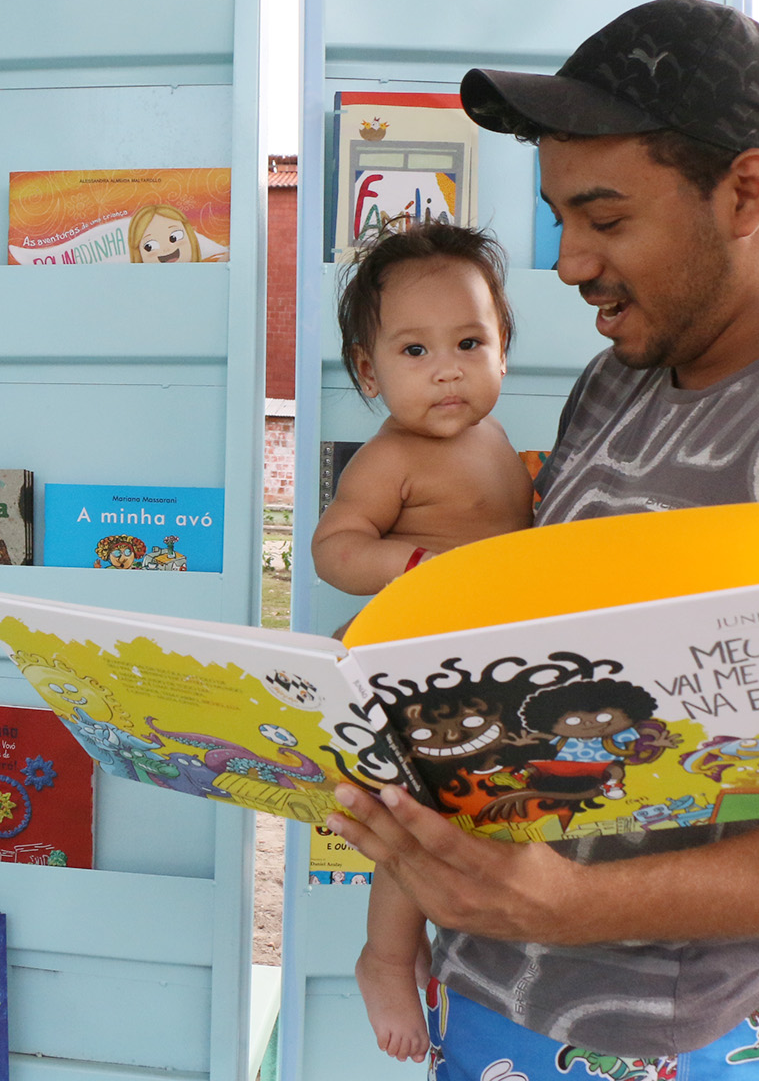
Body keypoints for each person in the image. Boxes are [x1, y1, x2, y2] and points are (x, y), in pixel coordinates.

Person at [324, 0, 759, 1079]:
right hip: (486, 988)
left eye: (606, 217)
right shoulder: (615, 381)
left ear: (744, 191)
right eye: (559, 219)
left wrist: (574, 903)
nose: (567, 264)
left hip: (665, 1040)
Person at [309, 221, 535, 1060]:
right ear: (369, 372)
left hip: (479, 665)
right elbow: (333, 547)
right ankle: (386, 957)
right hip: (412, 668)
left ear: (502, 350)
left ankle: (466, 952)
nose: (446, 369)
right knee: (412, 822)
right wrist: (408, 562)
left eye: (469, 342)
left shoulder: (496, 439)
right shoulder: (390, 457)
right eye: (413, 351)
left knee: (479, 817)